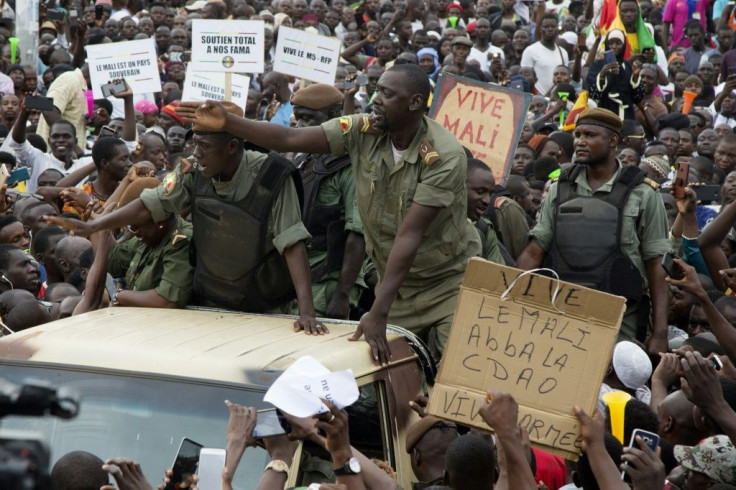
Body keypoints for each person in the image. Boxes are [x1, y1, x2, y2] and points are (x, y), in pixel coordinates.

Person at [175, 64, 481, 362]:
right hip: (397, 285)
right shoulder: (363, 130)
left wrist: (378, 312)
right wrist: (227, 121)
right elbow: (289, 139)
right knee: (390, 371)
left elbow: (410, 234)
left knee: (455, 367)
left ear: (415, 102)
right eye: (375, 91)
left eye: (386, 94)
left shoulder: (444, 156)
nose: (375, 100)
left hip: (446, 284)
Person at [46, 102, 324, 334]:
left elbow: (292, 243)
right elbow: (149, 205)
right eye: (194, 145)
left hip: (265, 308)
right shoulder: (193, 171)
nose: (195, 153)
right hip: (212, 304)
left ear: (232, 147)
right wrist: (95, 224)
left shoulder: (272, 176)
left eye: (203, 146)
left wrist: (307, 312)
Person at [517, 108, 670, 353]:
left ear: (612, 141)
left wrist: (660, 332)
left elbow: (656, 264)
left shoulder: (643, 193)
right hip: (561, 316)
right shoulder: (560, 188)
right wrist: (510, 303)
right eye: (578, 135)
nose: (580, 142)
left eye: (590, 135)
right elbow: (534, 251)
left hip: (620, 322)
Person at [290, 83, 366, 319]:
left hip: (329, 280)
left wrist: (342, 296)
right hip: (299, 276)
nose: (301, 126)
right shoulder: (304, 157)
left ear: (334, 117)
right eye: (298, 118)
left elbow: (358, 236)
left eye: (309, 119)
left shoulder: (351, 166)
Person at [520, 14, 569, 96]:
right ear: (540, 29)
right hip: (537, 98)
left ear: (557, 29)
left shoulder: (563, 52)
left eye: (553, 26)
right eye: (546, 26)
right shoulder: (530, 51)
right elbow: (525, 79)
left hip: (557, 97)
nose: (550, 29)